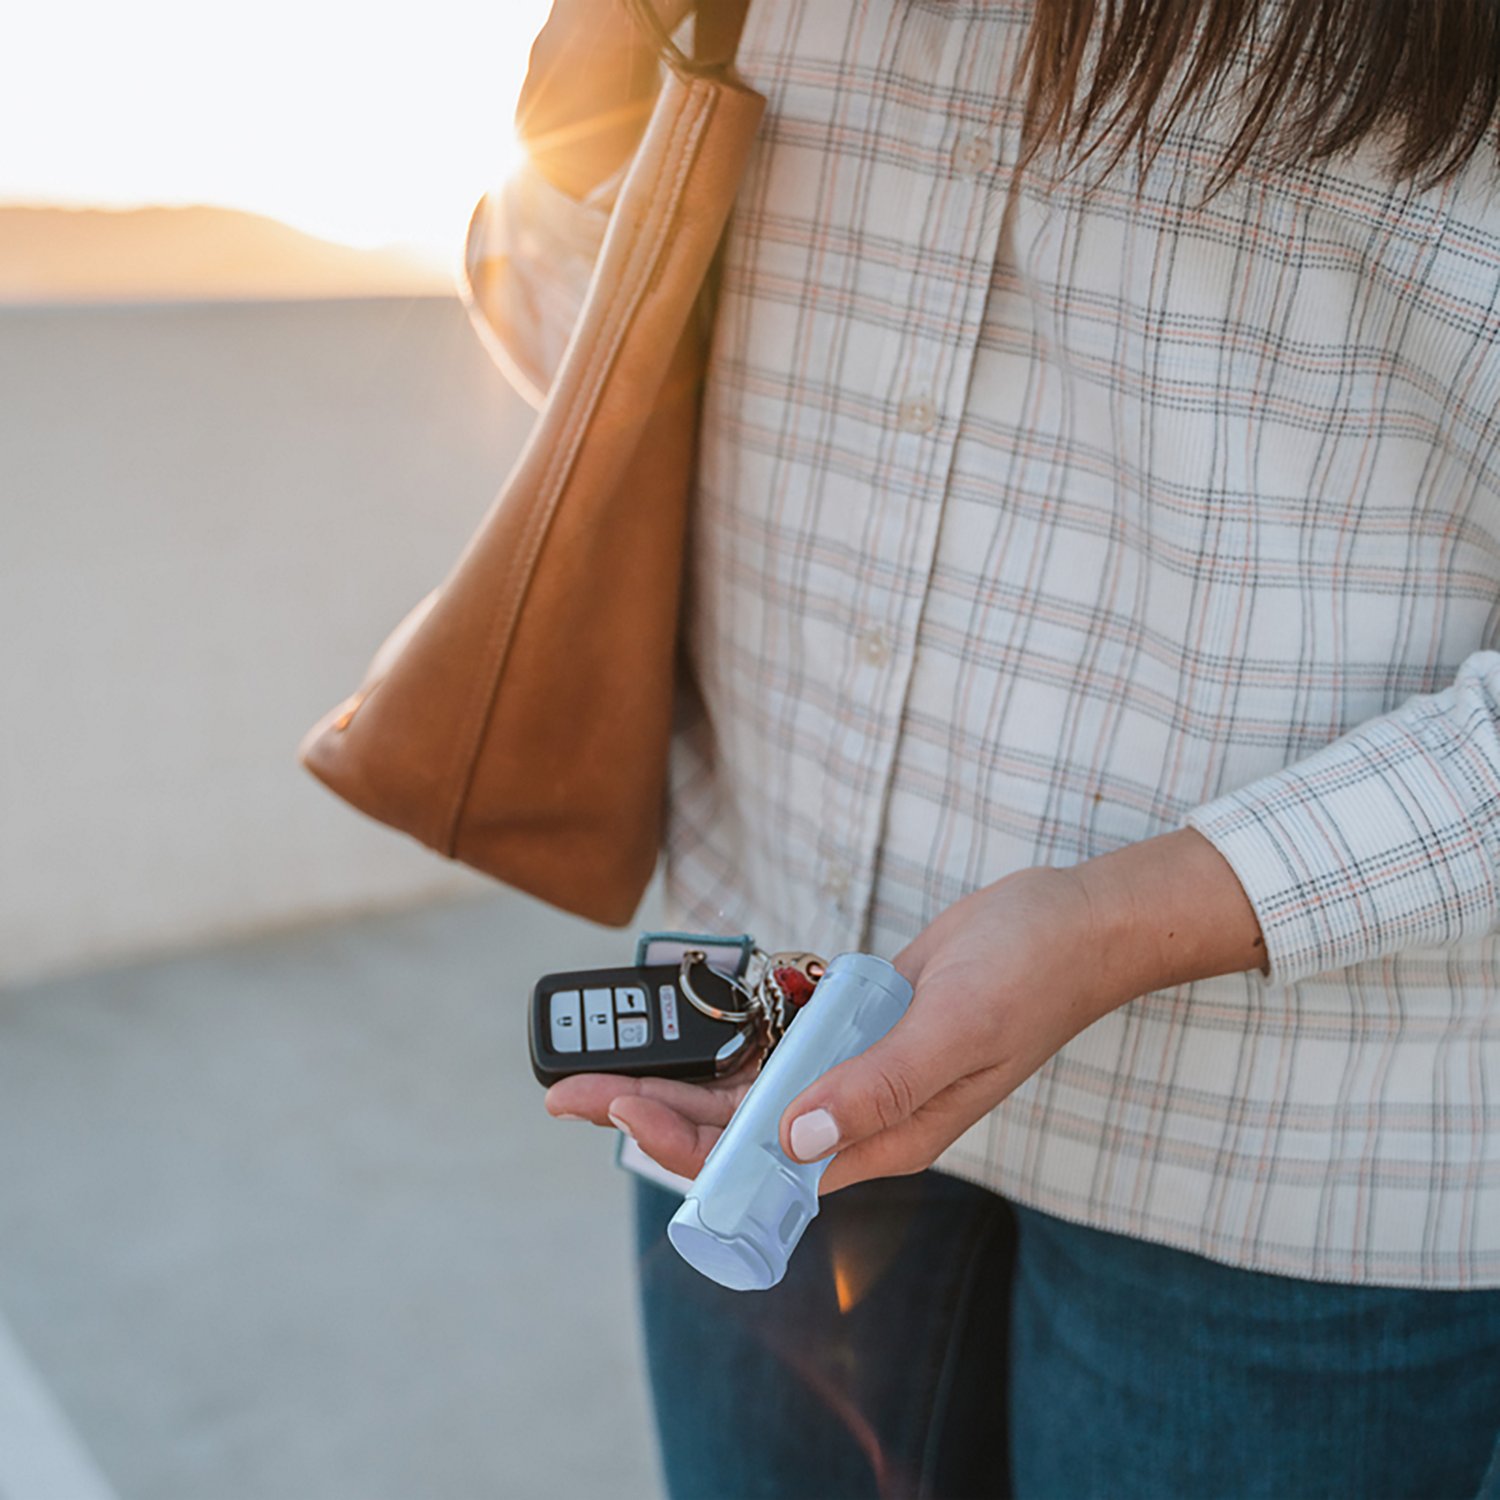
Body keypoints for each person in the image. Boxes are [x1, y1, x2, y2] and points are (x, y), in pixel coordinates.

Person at [466, 1, 1500, 1494]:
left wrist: (1123, 924)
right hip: (773, 1045)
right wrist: (604, 81)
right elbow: (578, 373)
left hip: (1299, 1155)